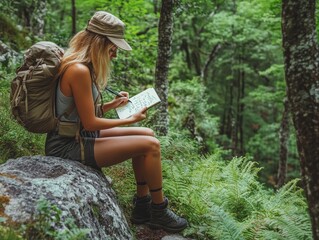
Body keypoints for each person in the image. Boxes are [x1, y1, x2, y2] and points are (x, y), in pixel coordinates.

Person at [45, 11, 188, 233]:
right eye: (114, 48)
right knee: (151, 145)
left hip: (79, 135)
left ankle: (142, 205)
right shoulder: (79, 70)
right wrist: (129, 119)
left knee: (148, 134)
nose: (115, 55)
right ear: (101, 43)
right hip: (67, 145)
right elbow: (90, 123)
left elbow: (82, 115)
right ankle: (159, 210)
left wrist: (113, 104)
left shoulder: (81, 65)